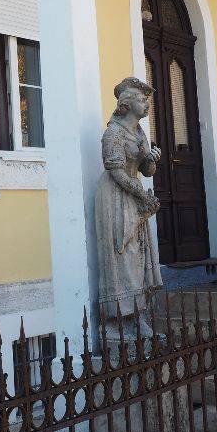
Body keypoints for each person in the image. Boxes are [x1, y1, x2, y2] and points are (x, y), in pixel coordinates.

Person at [95, 77, 163, 338]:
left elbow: (146, 171)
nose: (146, 105)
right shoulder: (113, 133)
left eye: (147, 100)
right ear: (127, 102)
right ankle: (120, 320)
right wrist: (142, 197)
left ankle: (138, 316)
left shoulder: (140, 132)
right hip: (117, 196)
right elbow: (116, 173)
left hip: (133, 193)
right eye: (142, 100)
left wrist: (151, 160)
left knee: (139, 255)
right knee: (124, 256)